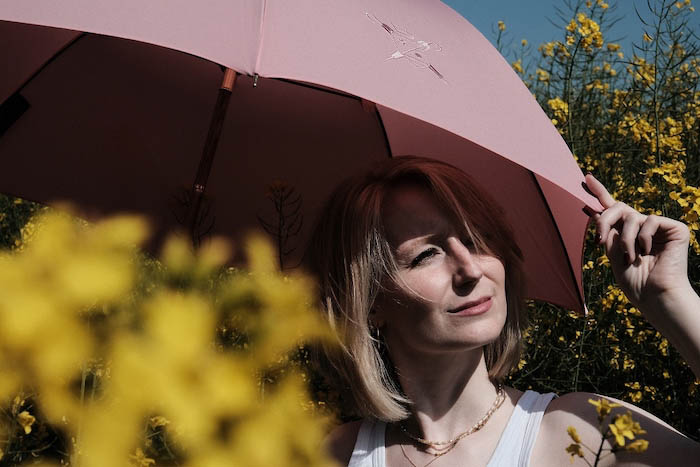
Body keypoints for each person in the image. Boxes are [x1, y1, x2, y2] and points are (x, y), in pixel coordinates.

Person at [305, 156, 700, 466]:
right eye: (426, 255)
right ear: (368, 302)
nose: (472, 269)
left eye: (478, 240)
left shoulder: (583, 430)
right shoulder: (331, 456)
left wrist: (672, 300)